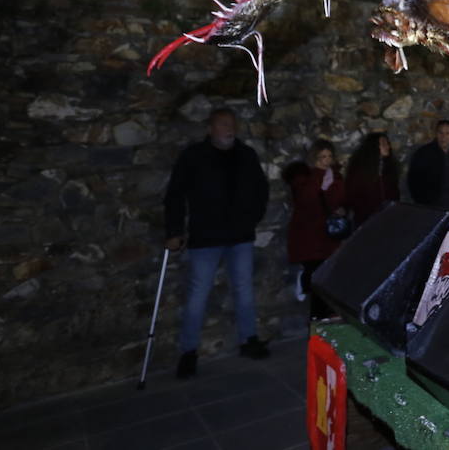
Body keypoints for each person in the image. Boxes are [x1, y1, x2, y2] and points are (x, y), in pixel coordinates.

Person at [162, 108, 270, 379]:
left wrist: (251, 219)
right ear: (211, 129)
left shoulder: (245, 156)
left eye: (232, 124)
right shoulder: (194, 157)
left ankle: (249, 340)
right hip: (206, 237)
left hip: (239, 236)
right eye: (223, 124)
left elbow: (261, 189)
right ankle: (188, 352)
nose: (228, 128)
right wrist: (174, 229)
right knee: (198, 294)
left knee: (244, 289)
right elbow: (175, 194)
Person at [282, 140, 348, 320]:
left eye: (329, 156)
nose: (326, 161)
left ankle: (324, 318)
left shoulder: (335, 177)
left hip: (328, 236)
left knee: (327, 280)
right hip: (310, 236)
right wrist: (320, 178)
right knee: (317, 280)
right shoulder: (304, 179)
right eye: (322, 157)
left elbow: (340, 199)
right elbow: (306, 201)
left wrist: (340, 208)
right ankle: (318, 319)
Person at [406, 120, 449, 211]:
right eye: (440, 133)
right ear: (436, 133)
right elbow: (414, 179)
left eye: (447, 133)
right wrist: (422, 202)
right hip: (431, 206)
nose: (444, 137)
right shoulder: (424, 153)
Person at [345, 132, 401, 225]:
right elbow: (353, 195)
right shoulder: (360, 169)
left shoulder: (389, 167)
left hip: (388, 218)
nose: (388, 146)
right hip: (367, 219)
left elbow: (394, 191)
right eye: (383, 144)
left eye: (388, 143)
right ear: (374, 147)